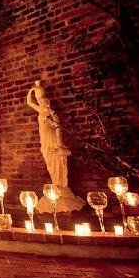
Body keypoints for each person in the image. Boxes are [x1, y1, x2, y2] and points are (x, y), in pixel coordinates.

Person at [27, 81, 84, 212]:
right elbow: (29, 102)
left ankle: (61, 185)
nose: (42, 105)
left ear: (48, 103)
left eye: (44, 103)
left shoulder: (52, 114)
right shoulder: (41, 111)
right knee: (49, 163)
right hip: (44, 140)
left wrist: (59, 144)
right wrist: (31, 90)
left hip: (52, 140)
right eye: (40, 103)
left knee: (57, 162)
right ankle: (56, 184)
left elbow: (58, 128)